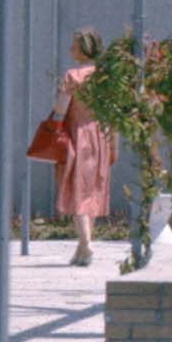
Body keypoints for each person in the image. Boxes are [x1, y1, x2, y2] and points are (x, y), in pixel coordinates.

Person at [56, 29, 117, 267]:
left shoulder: (73, 76)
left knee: (77, 188)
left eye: (74, 45)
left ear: (82, 49)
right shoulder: (105, 78)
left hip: (78, 135)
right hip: (100, 135)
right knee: (91, 189)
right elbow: (113, 114)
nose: (71, 50)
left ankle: (87, 243)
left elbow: (61, 109)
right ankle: (82, 248)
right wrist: (114, 145)